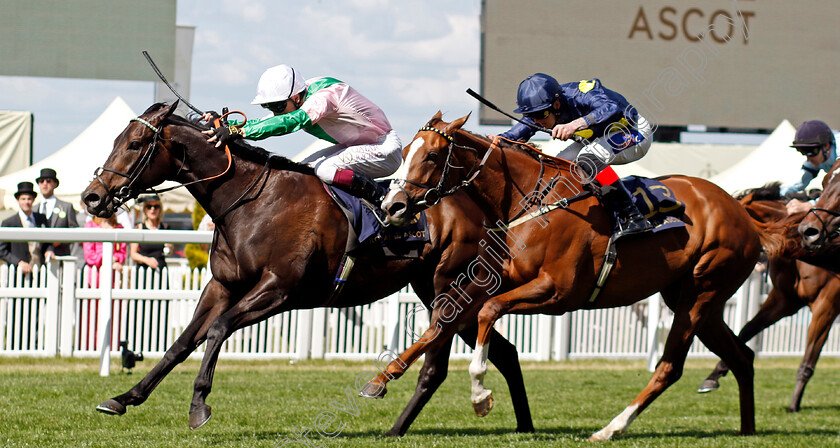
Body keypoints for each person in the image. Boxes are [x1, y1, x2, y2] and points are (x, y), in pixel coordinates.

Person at [202, 64, 402, 205]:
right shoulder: (301, 92)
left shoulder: (324, 98)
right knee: (301, 171)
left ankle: (383, 198)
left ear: (296, 97)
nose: (275, 112)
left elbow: (291, 122)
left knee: (325, 170)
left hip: (384, 149)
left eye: (278, 106)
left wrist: (240, 131)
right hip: (358, 147)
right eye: (269, 107)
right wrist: (226, 122)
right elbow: (271, 120)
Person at [499, 73, 654, 237]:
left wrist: (576, 124)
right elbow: (512, 136)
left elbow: (612, 108)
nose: (535, 121)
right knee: (556, 165)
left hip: (634, 131)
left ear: (557, 104)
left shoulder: (581, 94)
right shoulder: (543, 110)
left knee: (587, 158)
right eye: (531, 115)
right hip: (600, 136)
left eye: (540, 115)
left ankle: (632, 215)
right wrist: (496, 141)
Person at [782, 120, 838, 214]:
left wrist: (810, 205)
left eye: (810, 151)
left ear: (826, 146)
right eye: (803, 152)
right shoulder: (818, 156)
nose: (808, 159)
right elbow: (798, 183)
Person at [0, 182, 48, 275]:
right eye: (23, 199)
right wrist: (18, 262)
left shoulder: (41, 218)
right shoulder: (9, 222)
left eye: (29, 199)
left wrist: (49, 251)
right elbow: (1, 250)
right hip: (17, 273)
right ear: (18, 200)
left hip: (40, 270)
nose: (26, 202)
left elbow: (47, 242)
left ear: (33, 200)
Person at [34, 168, 79, 262]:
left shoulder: (66, 207)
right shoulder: (33, 209)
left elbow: (74, 231)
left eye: (48, 181)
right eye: (41, 181)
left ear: (55, 184)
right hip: (37, 259)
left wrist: (59, 240)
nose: (45, 184)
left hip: (60, 258)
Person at [130, 195, 172, 275]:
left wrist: (170, 247)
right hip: (143, 271)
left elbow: (168, 252)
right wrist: (147, 260)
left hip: (161, 270)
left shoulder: (165, 228)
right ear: (145, 210)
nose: (153, 209)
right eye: (149, 207)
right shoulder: (139, 228)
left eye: (156, 206)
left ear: (160, 209)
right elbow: (133, 254)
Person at [83, 215, 127, 287]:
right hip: (95, 274)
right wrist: (107, 259)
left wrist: (116, 259)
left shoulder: (119, 227)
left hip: (114, 273)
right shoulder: (90, 226)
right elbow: (89, 255)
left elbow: (122, 252)